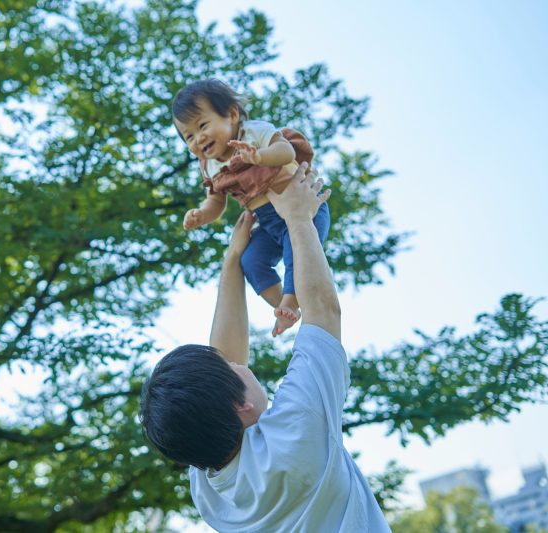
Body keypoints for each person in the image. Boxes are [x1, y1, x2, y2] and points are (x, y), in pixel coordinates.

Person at [140, 163, 391, 532]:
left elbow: (221, 371)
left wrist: (233, 262)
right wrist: (299, 219)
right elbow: (322, 311)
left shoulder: (210, 489)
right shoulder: (298, 427)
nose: (239, 364)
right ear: (239, 404)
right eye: (233, 371)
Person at [173, 79, 330, 336]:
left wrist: (259, 157)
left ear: (232, 115)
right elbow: (215, 201)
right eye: (189, 136)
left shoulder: (254, 133)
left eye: (202, 125)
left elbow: (286, 152)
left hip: (304, 210)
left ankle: (292, 298)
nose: (198, 138)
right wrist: (202, 214)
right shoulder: (209, 165)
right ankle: (283, 306)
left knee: (295, 251)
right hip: (268, 223)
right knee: (251, 260)